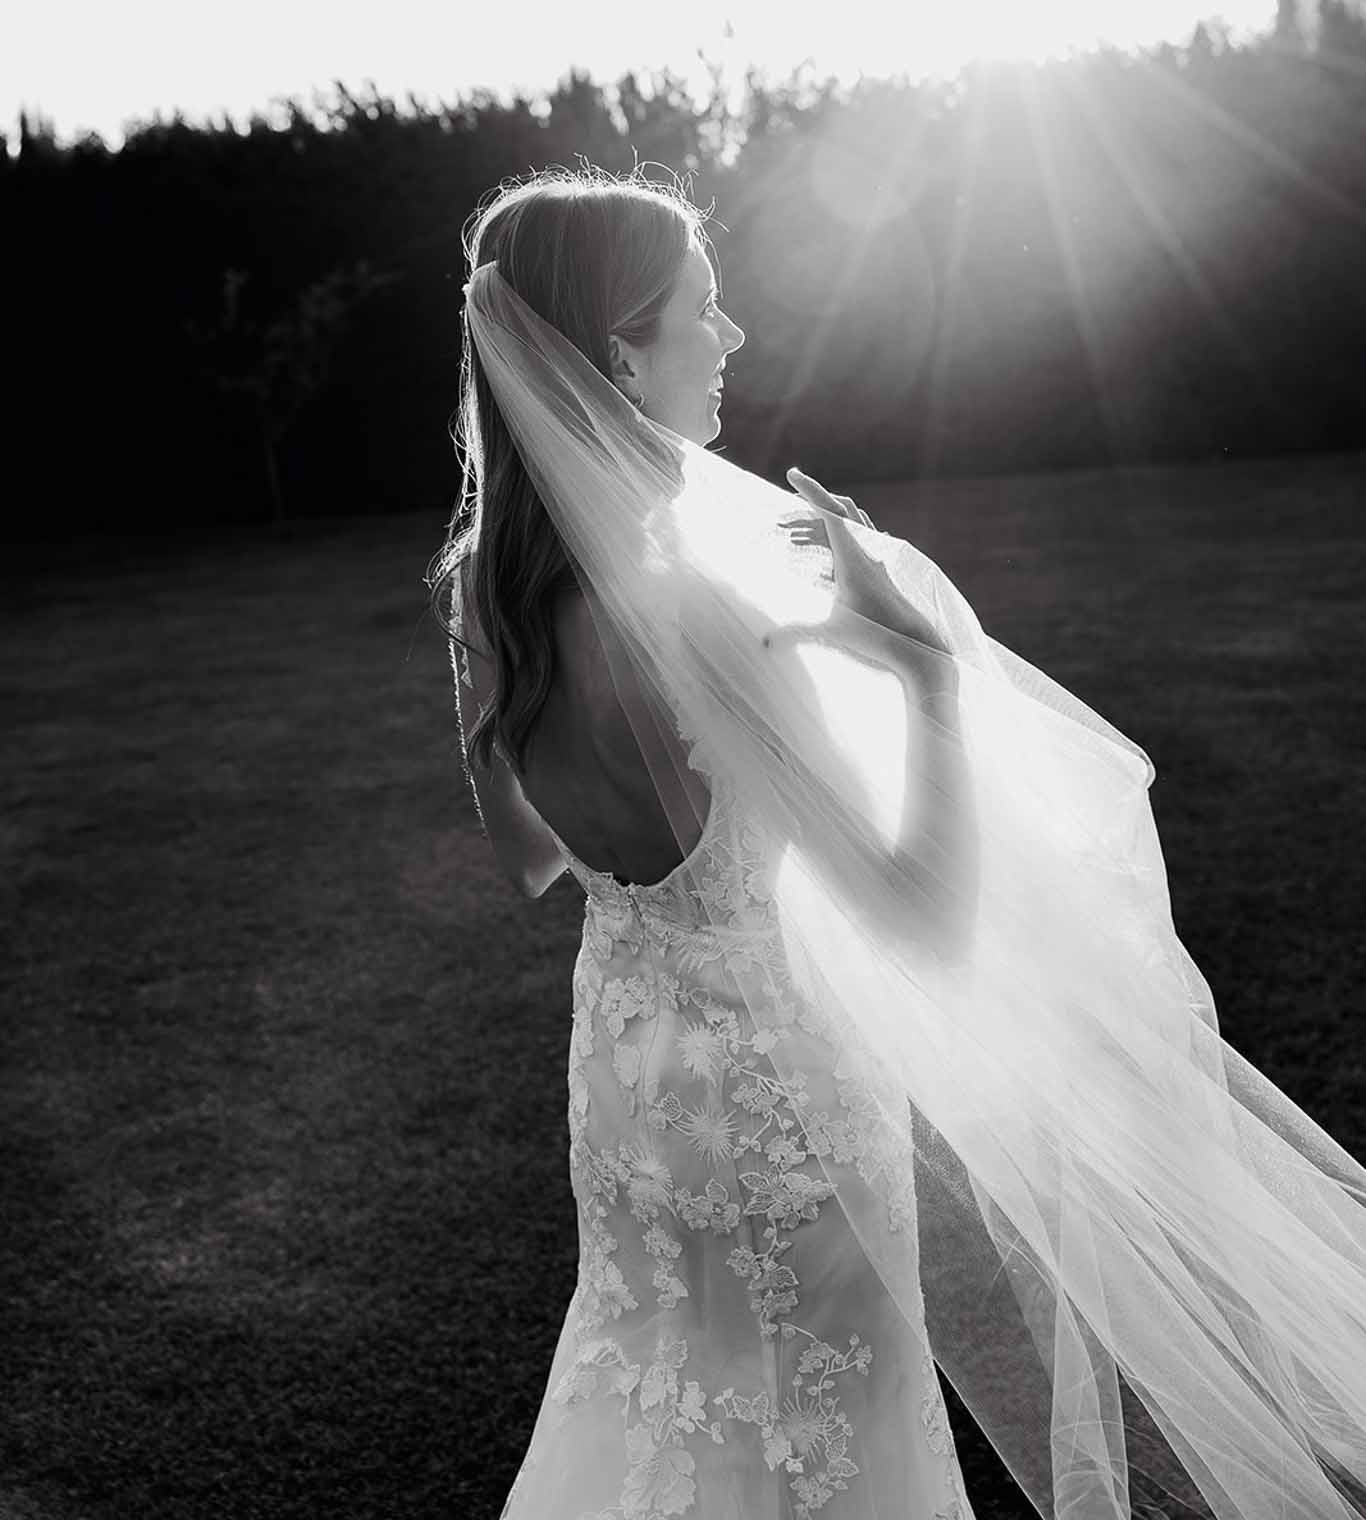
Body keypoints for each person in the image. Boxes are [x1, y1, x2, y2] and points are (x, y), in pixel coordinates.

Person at [432, 164, 1366, 1520]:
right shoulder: (696, 611)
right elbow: (918, 914)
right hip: (786, 1109)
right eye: (704, 307)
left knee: (650, 1385)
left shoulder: (481, 590)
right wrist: (916, 672)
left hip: (630, 1091)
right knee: (828, 1436)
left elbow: (525, 864)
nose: (732, 338)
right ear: (619, 357)